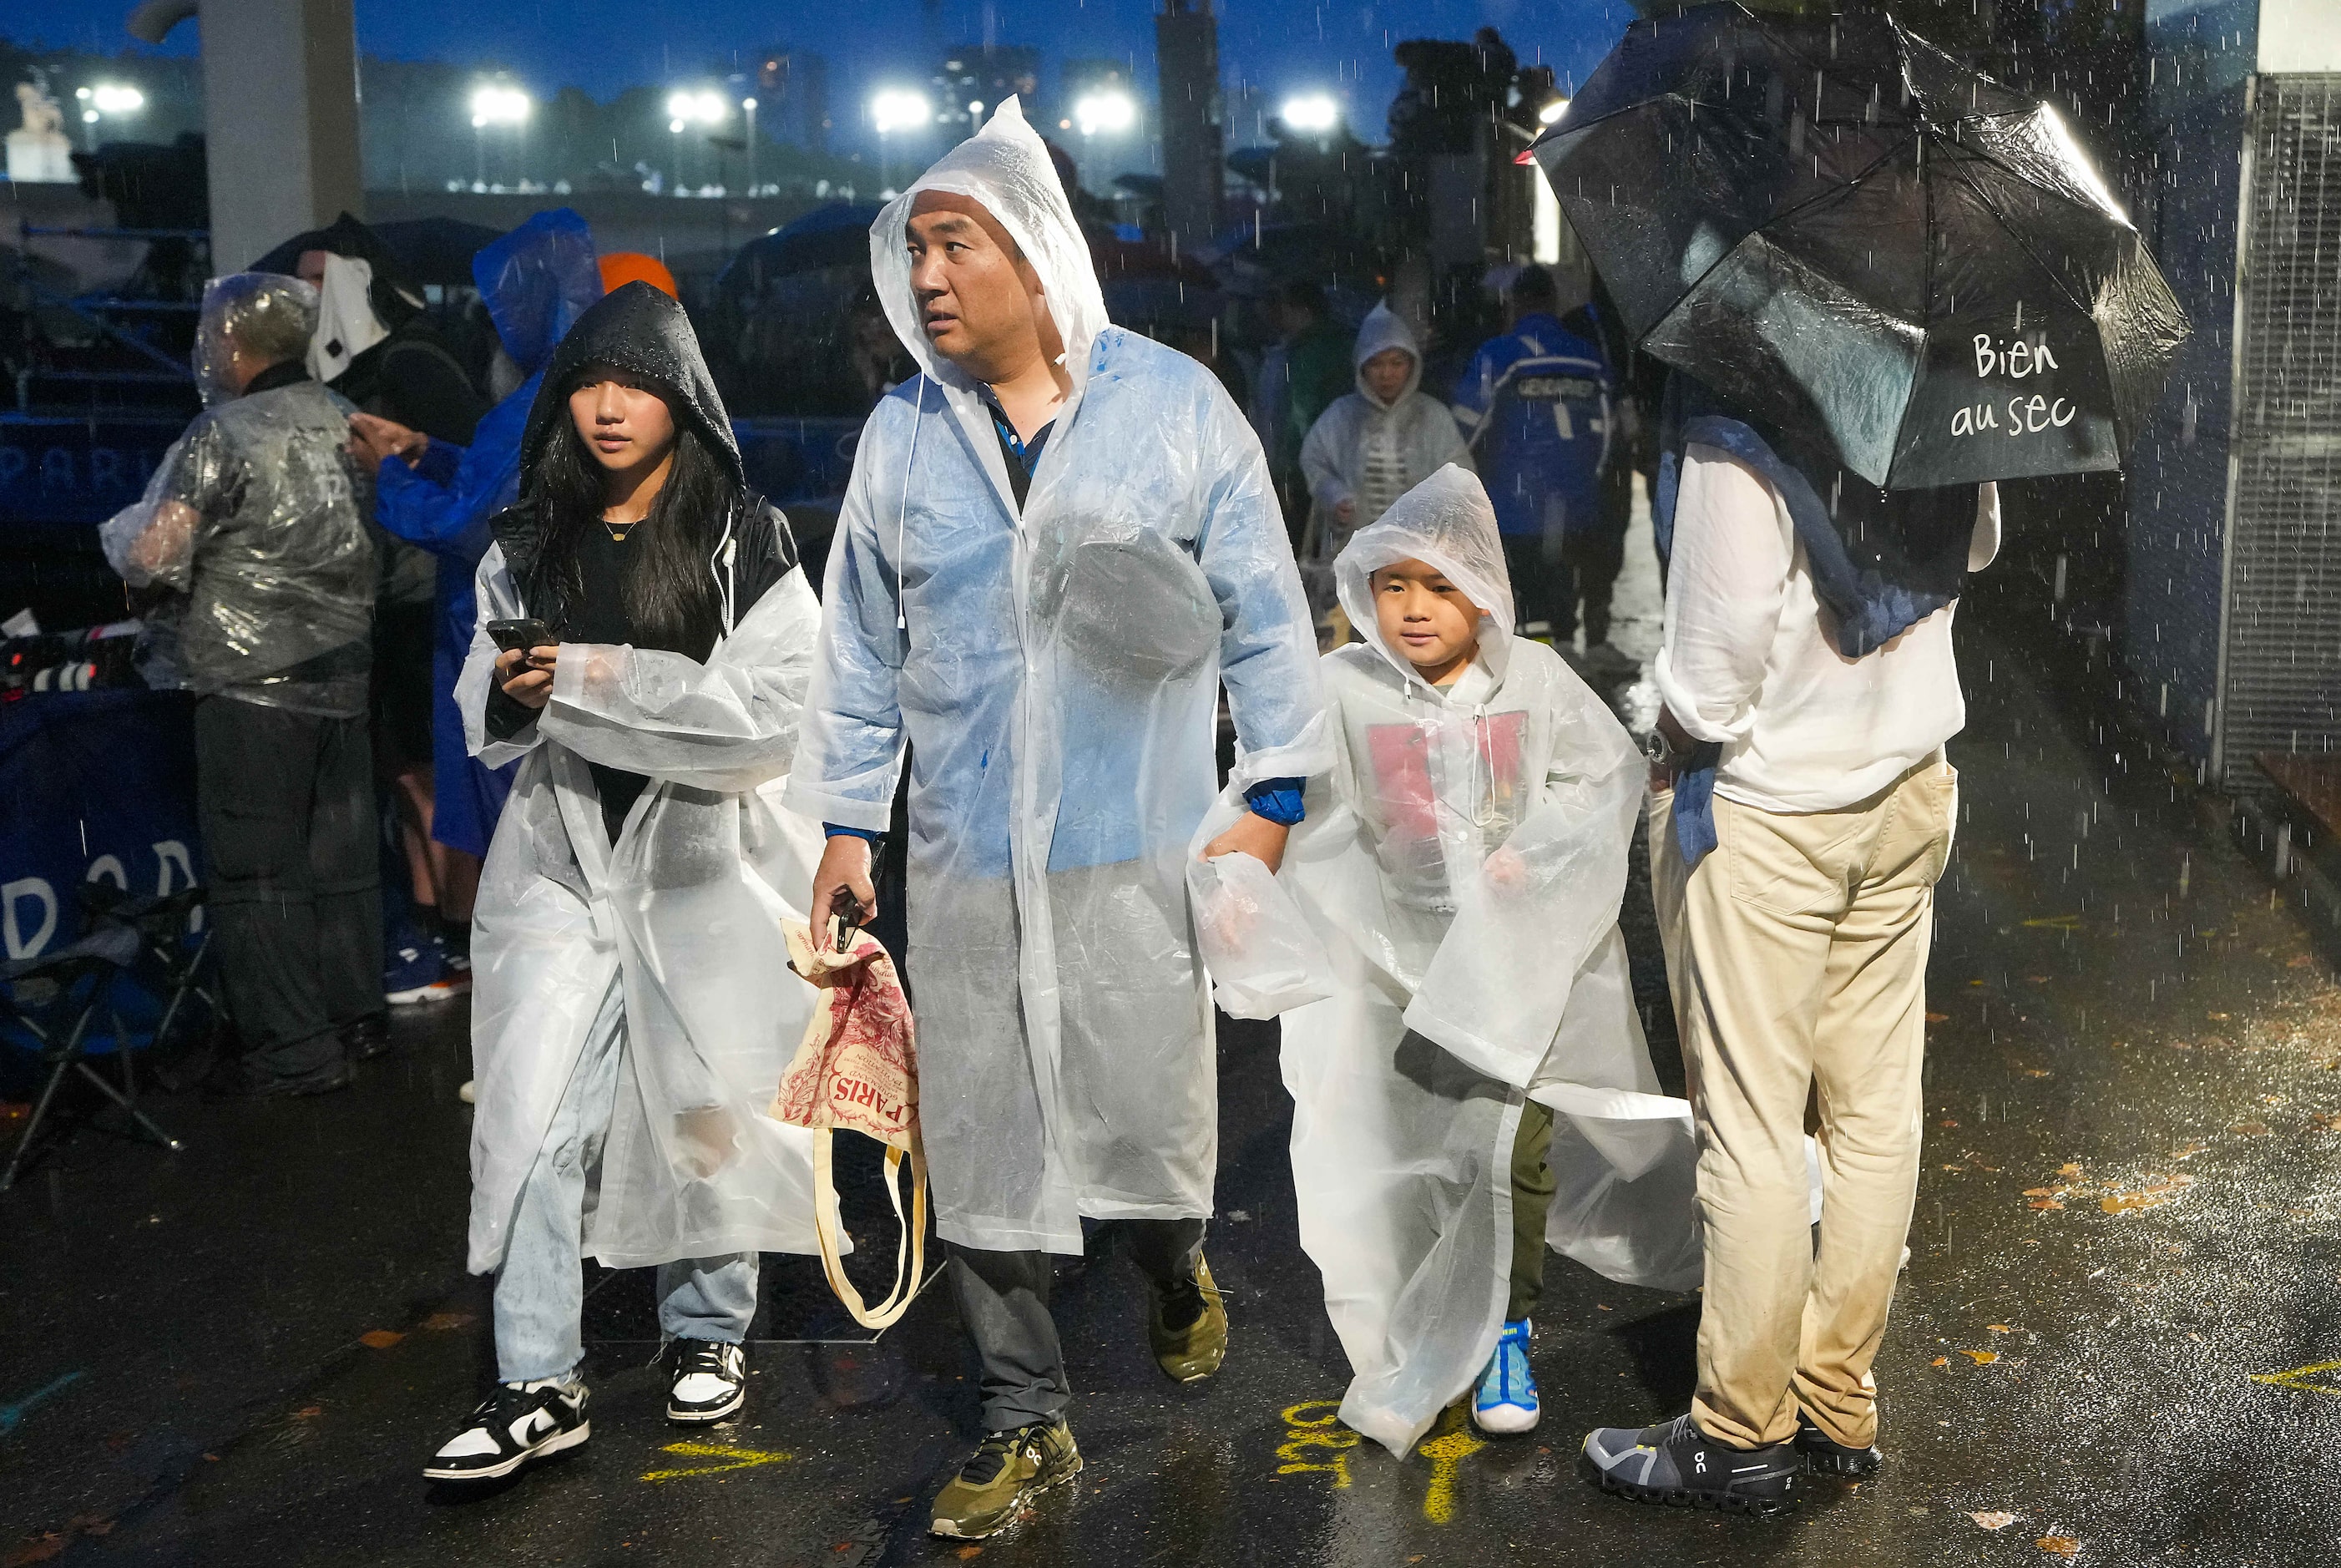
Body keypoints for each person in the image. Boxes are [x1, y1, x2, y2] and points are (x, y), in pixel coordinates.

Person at [786, 98, 1328, 1540]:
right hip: (965, 853)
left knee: (1141, 1117)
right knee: (982, 1136)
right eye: (911, 251)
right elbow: (858, 641)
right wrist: (849, 821)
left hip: (1124, 845)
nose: (926, 278)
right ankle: (1025, 1417)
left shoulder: (1173, 412)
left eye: (954, 244)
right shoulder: (901, 438)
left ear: (1035, 258)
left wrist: (1272, 787)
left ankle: (1167, 1261)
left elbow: (1265, 614)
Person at [424, 281, 832, 1484]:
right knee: (534, 1112)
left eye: (637, 386)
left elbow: (769, 716)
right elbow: (483, 698)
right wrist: (511, 693)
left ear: (681, 400)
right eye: (589, 385)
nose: (609, 409)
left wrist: (593, 680)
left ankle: (707, 1327)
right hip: (562, 861)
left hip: (699, 858)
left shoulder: (743, 535)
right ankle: (538, 1375)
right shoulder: (525, 537)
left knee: (702, 1108)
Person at [1580, 379, 2000, 1515]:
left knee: (1753, 1126)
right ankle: (1835, 1394)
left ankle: (1738, 1430)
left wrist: (1664, 740)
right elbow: (1978, 543)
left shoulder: (1741, 411)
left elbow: (1714, 665)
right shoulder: (1934, 376)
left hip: (1773, 814)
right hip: (1909, 786)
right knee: (1873, 1113)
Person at [1237, 464, 1694, 1454]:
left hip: (1514, 972)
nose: (1412, 609)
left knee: (1508, 1155)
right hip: (1392, 977)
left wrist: (1537, 860)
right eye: (1393, 584)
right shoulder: (1344, 691)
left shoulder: (1531, 683)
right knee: (1411, 1157)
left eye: (1440, 586)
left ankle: (1504, 1330)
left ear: (1483, 592)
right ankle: (1431, 1324)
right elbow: (1285, 786)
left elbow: (1600, 775)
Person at [103, 274, 382, 1096]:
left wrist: (123, 563)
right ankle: (356, 1021)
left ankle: (294, 1051)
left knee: (259, 871)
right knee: (340, 858)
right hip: (345, 677)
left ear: (230, 340)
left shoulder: (222, 434)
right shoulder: (348, 422)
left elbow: (155, 552)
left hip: (251, 685)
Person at [347, 210, 604, 988]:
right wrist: (428, 453)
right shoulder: (584, 389)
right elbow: (502, 486)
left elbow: (472, 522)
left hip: (499, 644)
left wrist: (388, 475)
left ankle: (529, 1022)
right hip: (545, 631)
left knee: (516, 833)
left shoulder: (537, 401)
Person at [282, 214, 492, 1004]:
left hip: (423, 601)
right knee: (404, 771)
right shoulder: (341, 372)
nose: (302, 297)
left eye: (314, 280)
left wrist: (406, 469)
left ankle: (462, 933)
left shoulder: (410, 362)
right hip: (381, 598)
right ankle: (432, 923)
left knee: (436, 773)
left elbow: (471, 478)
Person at [1450, 265, 1621, 660]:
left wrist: (1455, 483)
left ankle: (1534, 666)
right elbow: (1609, 432)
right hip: (1574, 501)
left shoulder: (1498, 355)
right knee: (1561, 580)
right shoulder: (1588, 356)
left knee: (1520, 596)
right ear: (1554, 302)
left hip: (1514, 501)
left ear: (1515, 303)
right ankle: (1566, 651)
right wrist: (1586, 477)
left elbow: (1463, 432)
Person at [1297, 301, 1472, 625]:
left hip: (1423, 557)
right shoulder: (1341, 415)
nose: (1387, 374)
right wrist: (1335, 495)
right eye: (1376, 364)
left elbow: (1461, 479)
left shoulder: (1432, 417)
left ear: (1412, 365)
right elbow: (1314, 460)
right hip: (1355, 556)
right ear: (1361, 368)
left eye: (1396, 362)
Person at [1248, 277, 1354, 543]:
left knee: (1300, 544)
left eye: (1285, 308)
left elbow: (1299, 417)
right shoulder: (1340, 345)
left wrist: (1285, 475)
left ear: (1304, 310)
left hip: (1305, 470)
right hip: (1338, 467)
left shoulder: (1307, 355)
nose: (1278, 316)